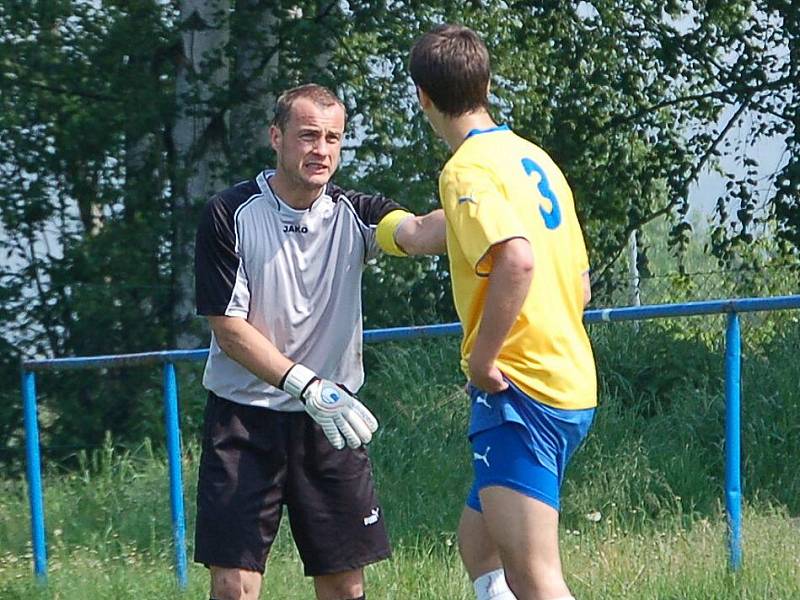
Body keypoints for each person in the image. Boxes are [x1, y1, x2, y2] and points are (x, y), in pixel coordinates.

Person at [193, 83, 446, 600]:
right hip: (243, 419)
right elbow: (229, 329)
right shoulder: (229, 213)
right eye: (308, 136)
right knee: (234, 586)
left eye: (333, 138)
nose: (322, 150)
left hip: (331, 422)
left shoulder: (355, 211)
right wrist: (307, 385)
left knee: (345, 585)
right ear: (276, 137)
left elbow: (419, 232)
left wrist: (490, 211)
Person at [409, 25, 597, 600]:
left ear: (422, 98)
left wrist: (482, 358)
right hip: (570, 380)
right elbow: (582, 285)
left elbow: (516, 259)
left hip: (521, 391)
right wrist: (396, 231)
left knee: (536, 577)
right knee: (480, 545)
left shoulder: (465, 170)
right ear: (487, 84)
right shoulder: (530, 158)